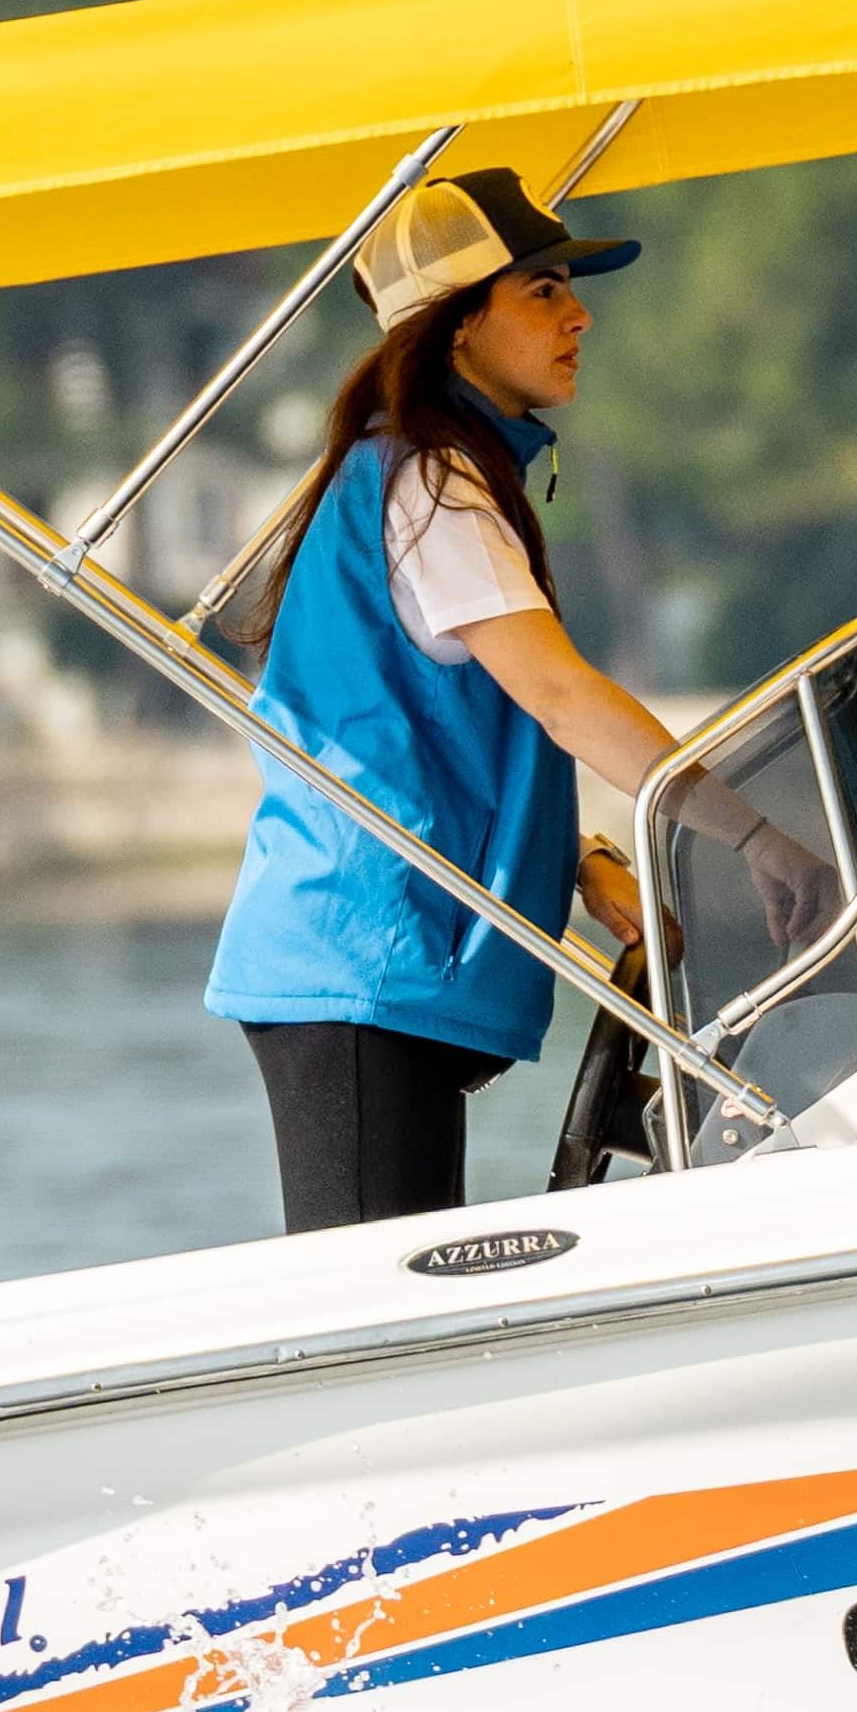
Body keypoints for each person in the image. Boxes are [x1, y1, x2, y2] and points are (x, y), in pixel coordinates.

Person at [201, 164, 810, 1234]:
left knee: (399, 1289)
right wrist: (756, 837)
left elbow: (442, 739)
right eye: (541, 289)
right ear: (458, 323)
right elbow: (561, 696)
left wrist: (580, 862)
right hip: (358, 958)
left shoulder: (435, 473)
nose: (580, 313)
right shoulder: (430, 480)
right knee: (377, 1307)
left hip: (374, 955)